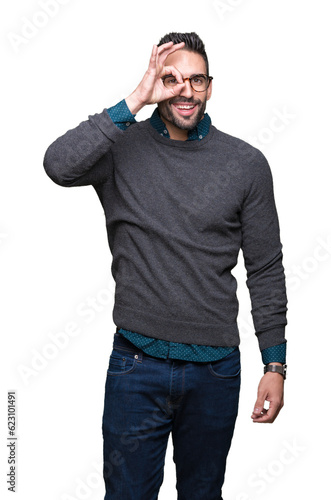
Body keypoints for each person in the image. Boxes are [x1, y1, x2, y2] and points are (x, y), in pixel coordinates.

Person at [43, 32, 287, 500]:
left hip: (215, 371)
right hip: (136, 365)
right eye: (171, 79)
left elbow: (265, 268)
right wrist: (134, 99)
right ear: (156, 81)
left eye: (196, 80)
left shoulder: (246, 163)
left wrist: (275, 363)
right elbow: (58, 165)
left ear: (210, 87)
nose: (185, 90)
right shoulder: (120, 149)